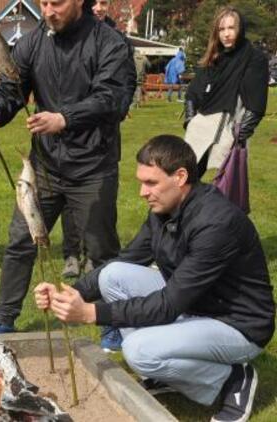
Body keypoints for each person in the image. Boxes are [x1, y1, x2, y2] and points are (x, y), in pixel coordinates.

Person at [34, 135, 275, 422]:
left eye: (151, 183)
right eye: (141, 182)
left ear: (180, 177)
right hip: (197, 304)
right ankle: (163, 371)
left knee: (138, 351)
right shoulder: (165, 211)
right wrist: (71, 293)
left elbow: (168, 305)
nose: (142, 192)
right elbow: (125, 260)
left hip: (237, 324)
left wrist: (90, 313)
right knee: (113, 275)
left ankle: (232, 377)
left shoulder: (216, 224)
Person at [0, 0, 131, 333]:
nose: (47, 11)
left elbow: (113, 98)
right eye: (42, 3)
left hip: (93, 166)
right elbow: (12, 87)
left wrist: (65, 118)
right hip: (44, 166)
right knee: (20, 241)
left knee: (101, 250)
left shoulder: (109, 42)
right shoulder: (34, 40)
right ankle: (4, 317)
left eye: (56, 3)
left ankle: (111, 323)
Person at [59, 0, 135, 278]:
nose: (100, 7)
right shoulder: (69, 38)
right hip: (68, 132)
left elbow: (127, 83)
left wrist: (119, 108)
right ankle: (71, 253)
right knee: (67, 199)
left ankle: (95, 255)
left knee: (101, 202)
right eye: (97, 2)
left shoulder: (117, 42)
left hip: (101, 136)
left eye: (105, 3)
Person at [185, 6, 268, 178]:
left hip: (229, 131)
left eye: (231, 28)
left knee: (225, 189)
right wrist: (190, 120)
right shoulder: (214, 57)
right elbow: (193, 93)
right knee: (185, 181)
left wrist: (237, 137)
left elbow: (256, 105)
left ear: (240, 29)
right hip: (200, 129)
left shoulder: (254, 58)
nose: (226, 34)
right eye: (222, 29)